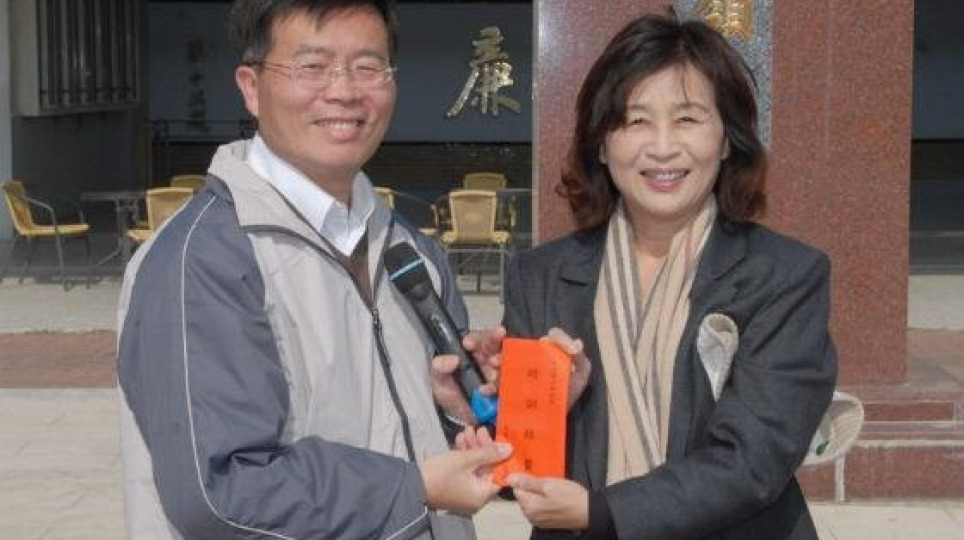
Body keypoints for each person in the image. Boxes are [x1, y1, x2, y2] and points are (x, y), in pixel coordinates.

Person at [116, 1, 508, 538]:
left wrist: (459, 412)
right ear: (251, 87)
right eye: (312, 66)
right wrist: (413, 489)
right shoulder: (204, 260)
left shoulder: (409, 249)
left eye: (368, 66)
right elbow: (222, 493)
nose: (343, 91)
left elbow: (412, 438)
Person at [499, 11, 837, 539]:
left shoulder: (786, 276)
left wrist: (602, 513)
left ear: (726, 139)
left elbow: (754, 458)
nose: (661, 147)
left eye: (687, 119)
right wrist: (484, 409)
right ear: (601, 143)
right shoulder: (539, 276)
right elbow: (517, 461)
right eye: (636, 121)